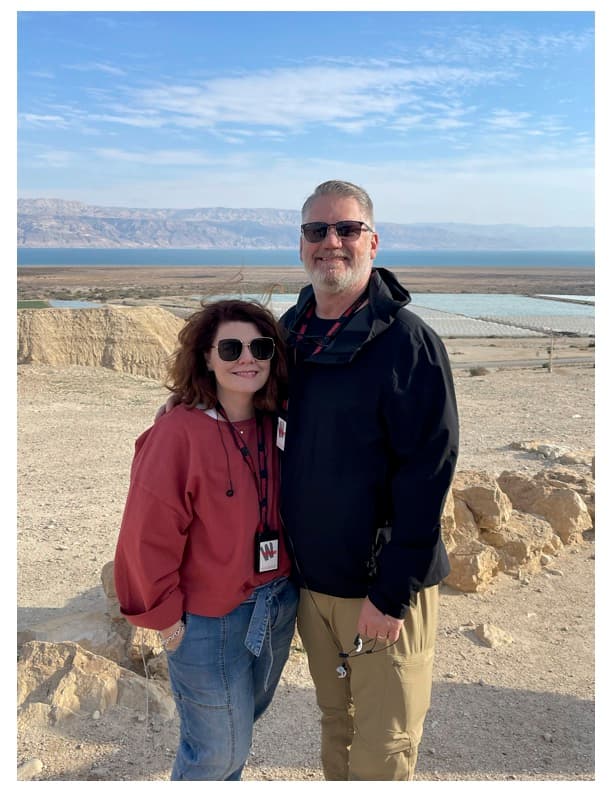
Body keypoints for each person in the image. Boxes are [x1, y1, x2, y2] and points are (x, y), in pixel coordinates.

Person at [277, 180, 459, 781]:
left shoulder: (408, 345)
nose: (331, 242)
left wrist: (392, 593)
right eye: (317, 231)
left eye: (346, 229)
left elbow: (428, 474)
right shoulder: (291, 333)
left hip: (381, 593)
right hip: (314, 587)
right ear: (302, 245)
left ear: (372, 242)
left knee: (384, 745)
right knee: (336, 726)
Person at [114, 299, 298, 781]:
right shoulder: (178, 433)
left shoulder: (277, 421)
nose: (247, 358)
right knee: (216, 750)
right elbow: (145, 534)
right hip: (208, 620)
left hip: (275, 605)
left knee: (235, 737)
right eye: (231, 347)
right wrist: (167, 620)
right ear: (206, 358)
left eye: (260, 347)